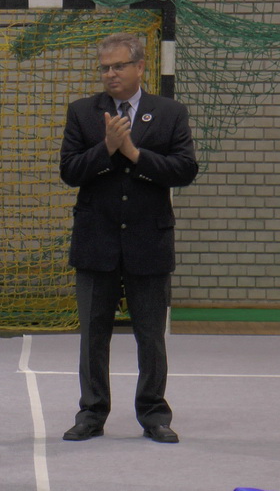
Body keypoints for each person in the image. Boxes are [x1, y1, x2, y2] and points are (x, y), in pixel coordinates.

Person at [59, 33, 198, 444]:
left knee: (150, 335)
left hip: (148, 242)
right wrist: (106, 147)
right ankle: (92, 412)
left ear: (140, 67)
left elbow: (184, 170)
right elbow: (69, 171)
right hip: (95, 241)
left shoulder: (170, 113)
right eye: (104, 68)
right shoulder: (83, 112)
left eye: (118, 66)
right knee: (93, 335)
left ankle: (154, 413)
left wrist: (134, 154)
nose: (110, 74)